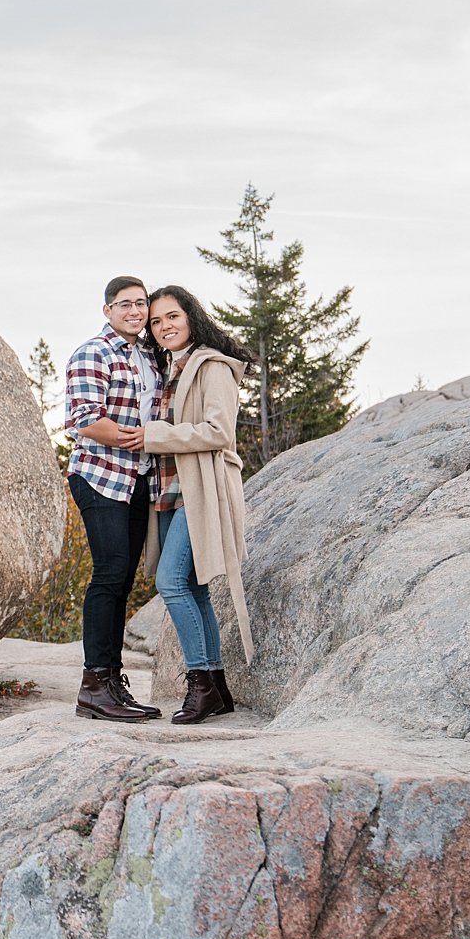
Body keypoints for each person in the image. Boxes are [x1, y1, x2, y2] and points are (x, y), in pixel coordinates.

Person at [137, 285, 258, 724]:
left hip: (200, 490)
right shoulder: (169, 369)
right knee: (194, 587)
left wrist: (154, 435)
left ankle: (200, 683)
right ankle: (218, 688)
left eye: (172, 316)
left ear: (191, 316)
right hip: (169, 491)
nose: (164, 326)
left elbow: (219, 431)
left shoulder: (212, 366)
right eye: (156, 321)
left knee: (170, 582)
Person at [63, 276, 162, 721]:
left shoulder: (149, 356)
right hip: (100, 475)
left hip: (139, 478)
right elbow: (85, 419)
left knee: (123, 580)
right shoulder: (93, 352)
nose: (135, 311)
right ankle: (93, 685)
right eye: (125, 304)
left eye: (141, 304)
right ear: (108, 310)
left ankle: (113, 683)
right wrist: (144, 438)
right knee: (110, 572)